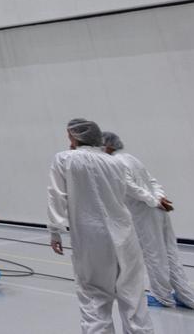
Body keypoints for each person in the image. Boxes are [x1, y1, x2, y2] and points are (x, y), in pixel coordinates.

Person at [48, 119, 167, 334]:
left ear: (76, 136)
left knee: (95, 299)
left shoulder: (64, 159)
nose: (68, 140)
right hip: (125, 236)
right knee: (134, 298)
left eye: (69, 135)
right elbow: (131, 190)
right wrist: (155, 200)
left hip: (91, 240)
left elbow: (57, 195)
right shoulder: (115, 162)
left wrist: (55, 231)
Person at [103, 131, 194, 310]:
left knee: (154, 255)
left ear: (106, 145)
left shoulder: (113, 163)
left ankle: (162, 297)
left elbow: (130, 187)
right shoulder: (131, 158)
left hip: (145, 213)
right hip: (159, 210)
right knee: (170, 253)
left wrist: (153, 201)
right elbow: (152, 180)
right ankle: (187, 296)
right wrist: (160, 198)